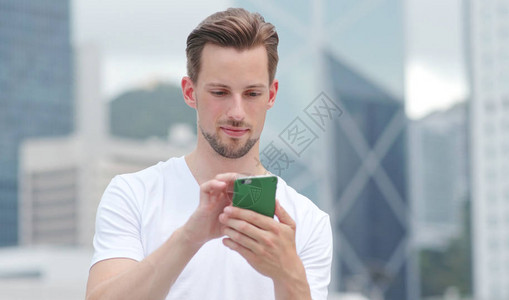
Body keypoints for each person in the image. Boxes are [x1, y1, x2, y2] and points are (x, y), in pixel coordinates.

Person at [86, 8, 333, 300]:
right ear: (190, 92)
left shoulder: (308, 221)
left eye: (252, 93)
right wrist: (190, 236)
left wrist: (287, 272)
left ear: (272, 94)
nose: (237, 113)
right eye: (219, 92)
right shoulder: (133, 194)